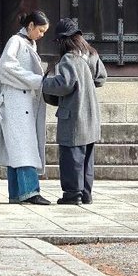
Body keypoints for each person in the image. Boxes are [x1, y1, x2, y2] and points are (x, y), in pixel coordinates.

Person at [0, 11, 52, 205]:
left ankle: (16, 193)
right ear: (31, 26)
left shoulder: (28, 43)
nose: (41, 35)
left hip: (22, 103)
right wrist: (36, 80)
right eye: (40, 30)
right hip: (15, 103)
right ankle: (30, 191)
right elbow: (6, 67)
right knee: (23, 147)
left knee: (17, 149)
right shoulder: (15, 41)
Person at [42, 18, 106, 206]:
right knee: (86, 159)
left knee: (71, 157)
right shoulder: (91, 54)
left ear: (63, 41)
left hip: (74, 115)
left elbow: (65, 84)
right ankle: (86, 193)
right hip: (91, 114)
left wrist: (43, 82)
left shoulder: (69, 58)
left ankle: (72, 194)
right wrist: (86, 84)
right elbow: (101, 78)